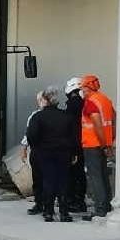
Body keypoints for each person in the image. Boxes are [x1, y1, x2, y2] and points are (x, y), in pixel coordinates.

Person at [26, 86, 77, 222]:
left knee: (48, 181)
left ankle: (48, 212)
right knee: (63, 182)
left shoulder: (38, 117)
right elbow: (74, 137)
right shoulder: (66, 117)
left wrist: (36, 147)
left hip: (44, 153)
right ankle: (64, 212)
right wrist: (73, 152)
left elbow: (31, 135)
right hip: (63, 153)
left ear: (46, 100)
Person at [79, 74, 115, 219]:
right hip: (103, 143)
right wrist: (111, 140)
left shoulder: (90, 103)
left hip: (93, 144)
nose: (82, 90)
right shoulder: (105, 100)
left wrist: (104, 144)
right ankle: (107, 205)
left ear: (88, 87)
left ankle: (100, 209)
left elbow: (97, 124)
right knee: (103, 175)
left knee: (96, 177)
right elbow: (114, 118)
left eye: (83, 87)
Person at [64, 77, 87, 213]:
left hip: (75, 145)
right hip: (83, 143)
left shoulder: (73, 106)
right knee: (79, 175)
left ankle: (74, 201)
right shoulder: (84, 104)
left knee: (74, 175)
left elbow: (72, 129)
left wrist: (73, 151)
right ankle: (78, 200)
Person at [21, 101, 43, 215]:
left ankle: (42, 204)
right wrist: (24, 148)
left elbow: (29, 133)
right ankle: (42, 203)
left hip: (40, 151)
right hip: (42, 151)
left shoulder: (35, 116)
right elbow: (28, 133)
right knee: (39, 179)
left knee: (40, 179)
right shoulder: (34, 116)